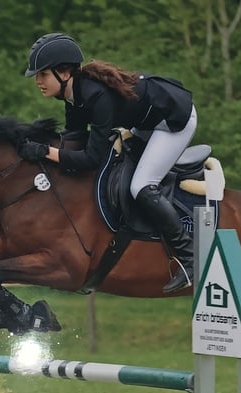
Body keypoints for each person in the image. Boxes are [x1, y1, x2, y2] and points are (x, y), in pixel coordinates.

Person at [19, 32, 198, 294]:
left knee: (141, 186)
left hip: (172, 121)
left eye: (42, 75)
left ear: (64, 72)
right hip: (146, 122)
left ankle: (190, 258)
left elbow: (91, 159)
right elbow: (73, 141)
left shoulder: (97, 96)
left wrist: (44, 152)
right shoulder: (73, 96)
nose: (38, 81)